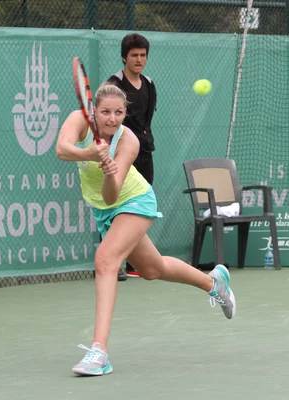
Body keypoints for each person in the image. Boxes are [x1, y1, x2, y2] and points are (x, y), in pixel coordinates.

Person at [56, 83, 235, 376]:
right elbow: (62, 150)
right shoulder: (79, 120)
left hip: (134, 201)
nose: (112, 119)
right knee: (153, 269)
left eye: (118, 112)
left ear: (125, 113)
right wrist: (91, 154)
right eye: (105, 112)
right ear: (94, 111)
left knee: (105, 260)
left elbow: (112, 195)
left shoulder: (129, 142)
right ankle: (214, 282)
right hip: (104, 210)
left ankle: (99, 352)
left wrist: (109, 171)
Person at [108, 33, 157, 281]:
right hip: (121, 154)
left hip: (144, 154)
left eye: (143, 55)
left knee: (138, 208)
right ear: (124, 57)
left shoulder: (149, 84)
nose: (139, 60)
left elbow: (146, 122)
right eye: (134, 55)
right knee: (116, 206)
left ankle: (133, 263)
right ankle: (113, 262)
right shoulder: (114, 85)